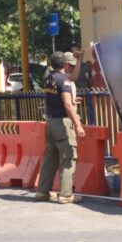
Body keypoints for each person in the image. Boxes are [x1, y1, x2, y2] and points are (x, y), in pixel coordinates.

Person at [35, 52, 86, 204]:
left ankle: (42, 192)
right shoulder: (64, 80)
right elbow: (67, 105)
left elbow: (55, 99)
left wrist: (71, 99)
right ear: (65, 65)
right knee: (68, 157)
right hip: (61, 124)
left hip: (50, 122)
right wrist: (78, 124)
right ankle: (65, 195)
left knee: (49, 159)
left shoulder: (50, 78)